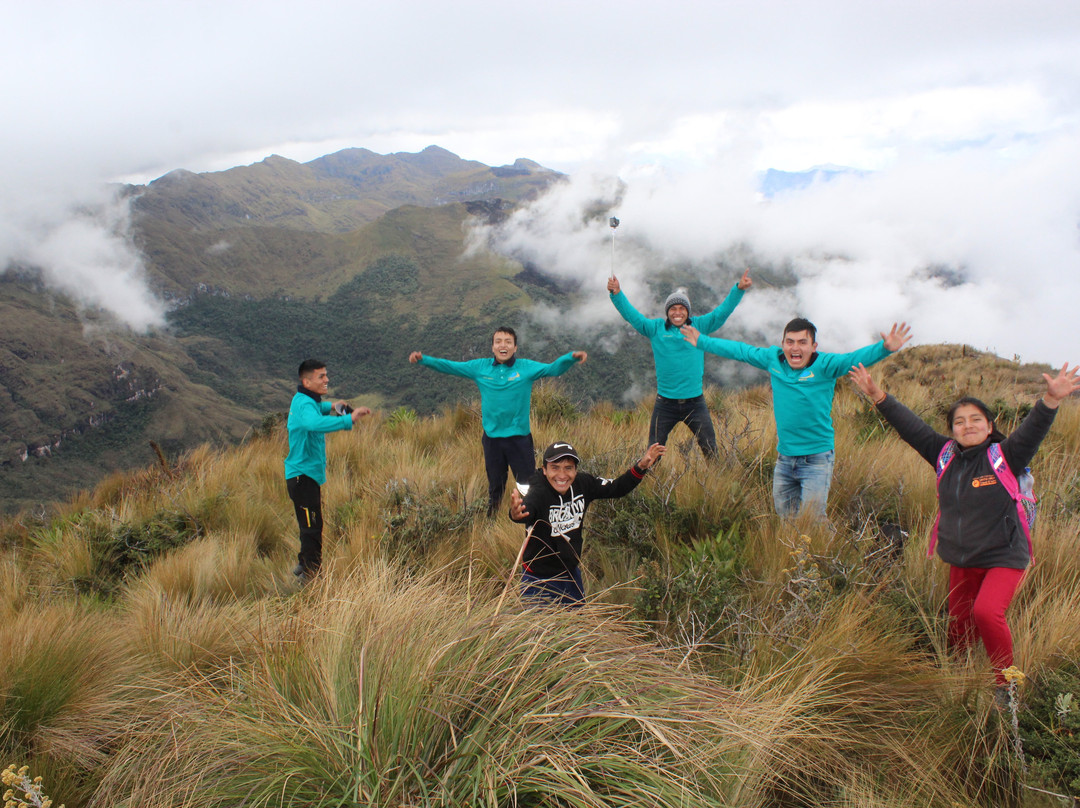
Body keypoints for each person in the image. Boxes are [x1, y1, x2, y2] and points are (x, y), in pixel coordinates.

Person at [849, 361, 1079, 693]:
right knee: (958, 627)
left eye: (975, 420)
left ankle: (1006, 687)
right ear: (952, 430)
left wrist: (1051, 400)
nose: (967, 426)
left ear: (989, 426)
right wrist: (876, 395)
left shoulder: (1006, 456)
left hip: (1004, 556)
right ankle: (957, 676)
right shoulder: (942, 454)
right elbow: (909, 425)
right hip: (961, 558)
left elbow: (1033, 430)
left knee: (987, 612)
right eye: (959, 421)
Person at [681, 318, 912, 517]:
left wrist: (885, 348)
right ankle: (797, 566)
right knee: (786, 518)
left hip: (816, 459)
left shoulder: (826, 366)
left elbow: (852, 358)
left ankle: (826, 561)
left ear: (814, 346)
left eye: (802, 342)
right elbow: (740, 351)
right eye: (790, 342)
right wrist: (702, 341)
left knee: (812, 521)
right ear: (783, 344)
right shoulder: (774, 359)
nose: (795, 348)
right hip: (784, 459)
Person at [409, 327, 587, 515]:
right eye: (499, 341)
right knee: (495, 483)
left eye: (508, 342)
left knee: (527, 483)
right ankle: (491, 517)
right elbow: (450, 367)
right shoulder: (480, 367)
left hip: (519, 440)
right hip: (492, 440)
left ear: (515, 347)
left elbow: (552, 369)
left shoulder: (525, 368)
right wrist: (424, 360)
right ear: (493, 347)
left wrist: (571, 358)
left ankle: (533, 517)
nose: (503, 345)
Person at [607, 270, 752, 457]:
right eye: (673, 309)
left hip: (695, 403)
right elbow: (632, 316)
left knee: (710, 450)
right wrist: (616, 293)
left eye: (682, 309)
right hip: (665, 404)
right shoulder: (655, 329)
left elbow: (721, 314)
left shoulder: (698, 326)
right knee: (653, 453)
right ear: (667, 312)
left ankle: (718, 483)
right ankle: (650, 482)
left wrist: (738, 289)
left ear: (688, 311)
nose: (677, 312)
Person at [509, 441, 666, 607]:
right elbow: (527, 509)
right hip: (538, 579)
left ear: (575, 470)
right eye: (555, 467)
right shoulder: (539, 490)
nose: (562, 475)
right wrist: (516, 514)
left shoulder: (583, 484)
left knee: (575, 627)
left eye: (568, 468)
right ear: (545, 469)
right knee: (538, 630)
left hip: (570, 574)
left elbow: (617, 488)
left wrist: (641, 466)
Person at [284, 359, 371, 581]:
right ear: (306, 381)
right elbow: (314, 423)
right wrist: (347, 419)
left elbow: (317, 408)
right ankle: (311, 576)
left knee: (310, 523)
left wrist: (332, 406)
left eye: (326, 375)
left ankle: (303, 564)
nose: (327, 379)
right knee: (313, 526)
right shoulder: (304, 405)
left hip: (304, 475)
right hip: (302, 476)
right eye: (321, 376)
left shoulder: (305, 400)